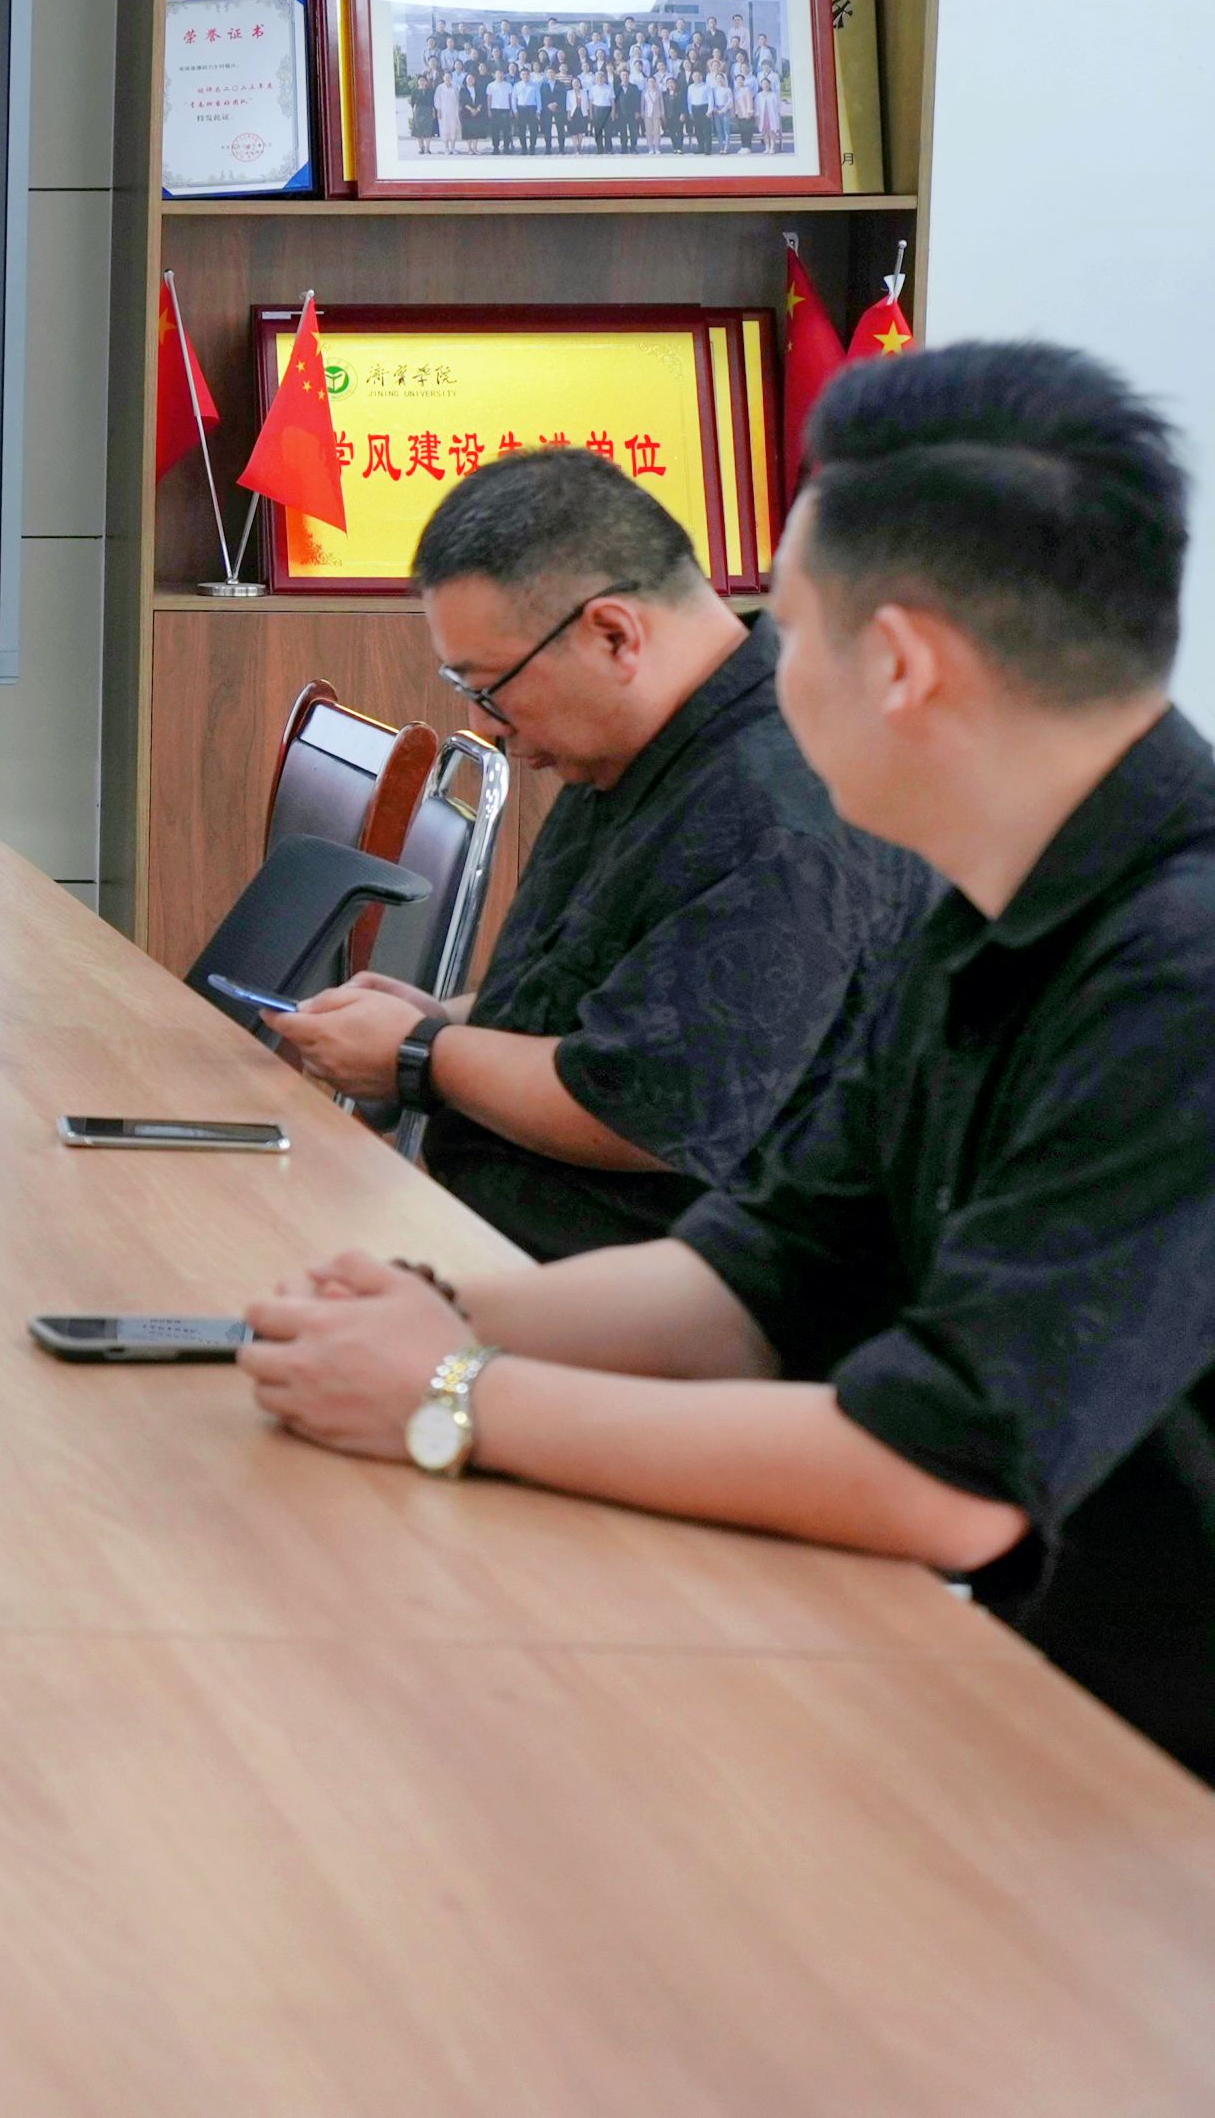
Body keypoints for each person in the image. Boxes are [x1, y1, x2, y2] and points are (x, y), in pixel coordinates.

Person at [242, 342, 1215, 1783]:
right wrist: (430, 1307)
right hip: (1027, 1687)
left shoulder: (1174, 978)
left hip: (1143, 1774)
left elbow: (945, 1473)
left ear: (902, 667)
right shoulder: (995, 907)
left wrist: (452, 1393)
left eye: (793, 632)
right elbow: (765, 1272)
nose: (765, 669)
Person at [266, 449, 929, 1257]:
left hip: (645, 1298)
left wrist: (420, 1052)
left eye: (490, 686)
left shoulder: (784, 806)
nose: (485, 724)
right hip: (496, 1244)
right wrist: (443, 1018)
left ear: (614, 635)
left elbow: (643, 1108)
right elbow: (609, 993)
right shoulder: (634, 736)